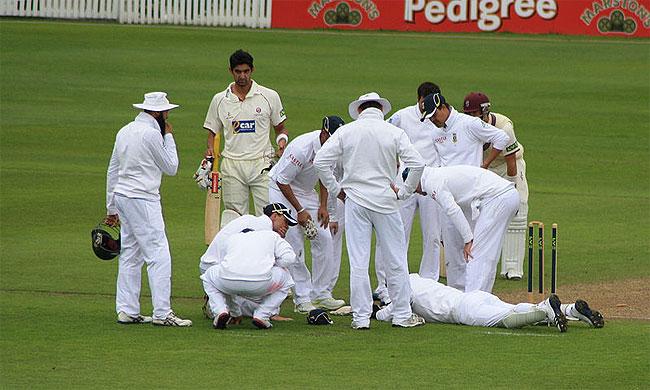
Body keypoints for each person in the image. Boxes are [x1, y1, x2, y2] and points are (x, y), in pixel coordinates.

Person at [314, 92, 426, 330]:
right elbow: (417, 164)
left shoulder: (346, 131)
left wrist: (337, 190)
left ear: (360, 110)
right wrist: (404, 192)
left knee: (358, 261)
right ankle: (402, 314)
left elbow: (320, 162)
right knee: (396, 259)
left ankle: (361, 318)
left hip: (355, 201)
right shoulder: (393, 132)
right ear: (381, 110)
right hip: (386, 201)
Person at [106, 92, 192, 327]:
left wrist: (111, 207)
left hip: (122, 196)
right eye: (166, 113)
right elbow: (171, 167)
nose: (168, 116)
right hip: (143, 199)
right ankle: (163, 313)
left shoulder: (124, 130)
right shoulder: (153, 134)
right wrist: (169, 137)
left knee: (131, 254)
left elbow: (113, 169)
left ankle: (127, 310)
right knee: (158, 255)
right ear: (157, 113)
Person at [421, 92, 511, 291]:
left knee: (472, 250)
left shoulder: (469, 123)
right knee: (452, 254)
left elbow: (502, 138)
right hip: (447, 197)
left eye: (434, 115)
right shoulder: (435, 133)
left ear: (443, 107)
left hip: (471, 198)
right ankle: (457, 298)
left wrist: (484, 164)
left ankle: (475, 295)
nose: (433, 121)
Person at [373, 82, 444, 304]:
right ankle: (386, 284)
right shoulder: (401, 117)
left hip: (430, 180)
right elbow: (384, 138)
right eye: (425, 102)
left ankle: (428, 283)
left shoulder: (440, 118)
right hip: (403, 181)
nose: (428, 108)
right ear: (418, 98)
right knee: (396, 232)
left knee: (432, 235)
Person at [268, 116, 347, 312]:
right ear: (323, 133)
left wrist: (323, 206)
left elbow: (325, 176)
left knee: (325, 238)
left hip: (305, 191)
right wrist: (300, 211)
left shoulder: (334, 148)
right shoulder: (301, 148)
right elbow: (282, 180)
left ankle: (320, 294)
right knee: (294, 244)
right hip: (282, 189)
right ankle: (302, 299)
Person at [401, 164, 519, 293]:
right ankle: (481, 298)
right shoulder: (434, 175)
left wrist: (468, 240)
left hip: (498, 198)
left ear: (414, 180)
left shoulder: (431, 182)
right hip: (505, 196)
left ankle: (472, 303)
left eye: (414, 189)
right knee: (487, 254)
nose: (417, 193)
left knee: (476, 254)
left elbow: (453, 210)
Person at [202, 49, 289, 217]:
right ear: (230, 71)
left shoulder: (269, 96)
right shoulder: (219, 100)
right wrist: (210, 150)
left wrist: (282, 142)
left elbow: (280, 128)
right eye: (238, 72)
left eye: (246, 71)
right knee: (235, 219)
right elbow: (212, 132)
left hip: (262, 164)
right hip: (232, 165)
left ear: (252, 70)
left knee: (268, 217)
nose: (242, 76)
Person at [375, 274, 605, 332]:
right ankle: (571, 310)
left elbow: (395, 312)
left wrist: (374, 314)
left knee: (506, 320)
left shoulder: (403, 292)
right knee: (512, 308)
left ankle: (546, 308)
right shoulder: (416, 277)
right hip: (474, 295)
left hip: (463, 310)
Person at [463, 92, 529, 280]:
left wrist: (511, 190)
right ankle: (472, 264)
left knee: (518, 212)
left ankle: (512, 268)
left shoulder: (503, 127)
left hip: (508, 167)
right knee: (478, 215)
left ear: (484, 112)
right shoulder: (466, 125)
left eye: (473, 113)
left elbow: (511, 162)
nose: (470, 118)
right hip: (484, 170)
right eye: (467, 114)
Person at [200, 229, 297, 330]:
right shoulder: (271, 235)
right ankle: (262, 315)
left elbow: (226, 265)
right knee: (287, 279)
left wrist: (235, 312)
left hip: (229, 281)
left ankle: (220, 311)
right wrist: (273, 265)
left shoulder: (231, 238)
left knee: (208, 277)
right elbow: (289, 258)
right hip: (261, 283)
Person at [199, 202, 298, 275]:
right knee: (280, 273)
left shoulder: (252, 220)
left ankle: (220, 300)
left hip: (210, 267)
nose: (287, 227)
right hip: (219, 268)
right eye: (285, 221)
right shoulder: (264, 229)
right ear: (275, 216)